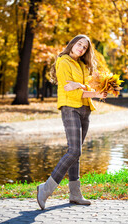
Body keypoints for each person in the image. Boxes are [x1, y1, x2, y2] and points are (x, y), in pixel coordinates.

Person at [37, 34, 107, 210]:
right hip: (70, 108)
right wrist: (83, 89)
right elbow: (70, 92)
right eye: (79, 44)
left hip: (85, 109)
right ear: (72, 44)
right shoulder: (63, 61)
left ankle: (75, 194)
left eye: (84, 47)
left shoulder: (84, 65)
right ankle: (45, 189)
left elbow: (86, 88)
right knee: (74, 150)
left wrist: (86, 89)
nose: (81, 48)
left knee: (77, 153)